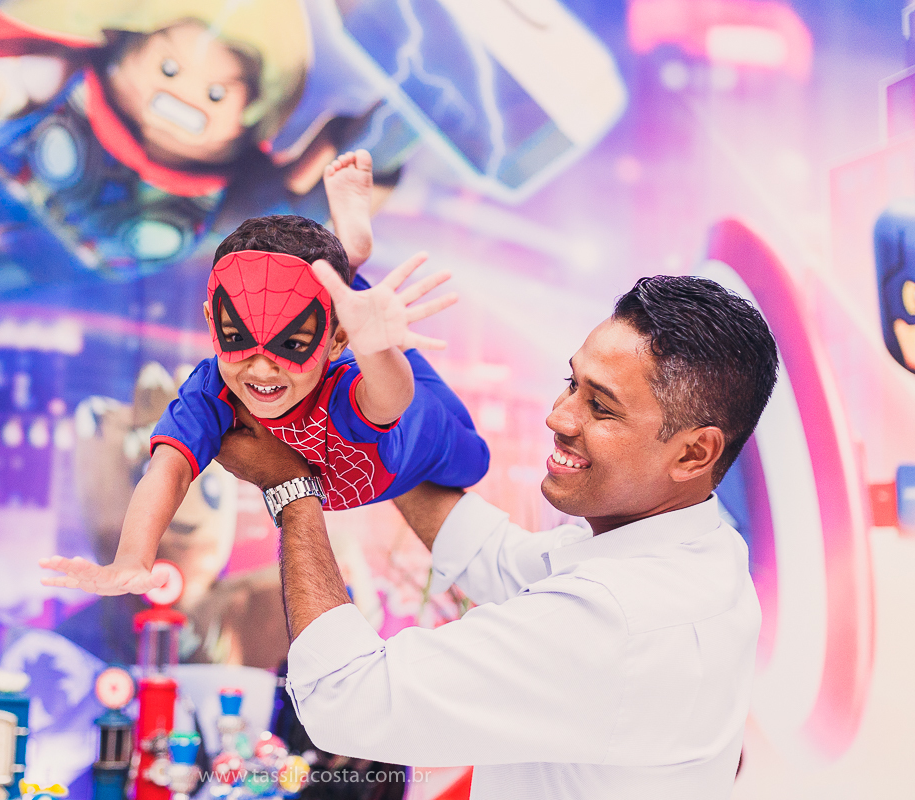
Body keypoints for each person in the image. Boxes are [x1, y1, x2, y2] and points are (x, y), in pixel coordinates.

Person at [212, 275, 778, 799]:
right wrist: (368, 404)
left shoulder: (618, 620)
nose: (560, 417)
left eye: (601, 407)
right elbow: (492, 555)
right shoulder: (697, 549)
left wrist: (291, 489)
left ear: (693, 452)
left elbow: (343, 699)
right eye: (571, 383)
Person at [40, 153, 490, 596]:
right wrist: (132, 560)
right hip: (354, 345)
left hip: (417, 441)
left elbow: (391, 399)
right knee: (337, 308)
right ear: (211, 322)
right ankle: (346, 267)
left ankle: (350, 268)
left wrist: (376, 347)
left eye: (290, 345)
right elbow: (168, 471)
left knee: (475, 460)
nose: (260, 367)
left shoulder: (342, 383)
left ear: (335, 343)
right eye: (236, 338)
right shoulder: (212, 386)